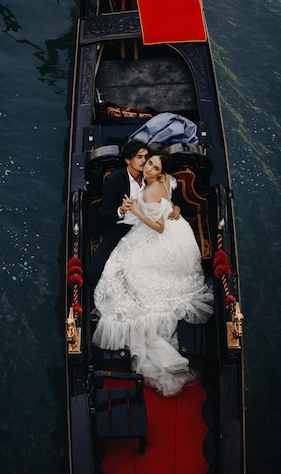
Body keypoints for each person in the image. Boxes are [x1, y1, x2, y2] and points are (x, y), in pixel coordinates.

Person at [92, 150, 214, 397]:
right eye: (148, 163)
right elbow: (167, 200)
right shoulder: (167, 180)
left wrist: (137, 212)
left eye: (155, 168)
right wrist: (170, 209)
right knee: (119, 266)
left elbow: (158, 227)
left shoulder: (150, 190)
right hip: (178, 232)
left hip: (161, 234)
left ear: (161, 172)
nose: (148, 169)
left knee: (128, 268)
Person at [87, 140, 181, 289]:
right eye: (139, 157)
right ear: (127, 160)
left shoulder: (152, 175)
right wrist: (121, 210)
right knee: (93, 274)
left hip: (147, 230)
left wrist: (176, 208)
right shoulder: (114, 180)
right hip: (120, 230)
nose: (144, 162)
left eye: (146, 157)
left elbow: (168, 195)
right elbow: (105, 214)